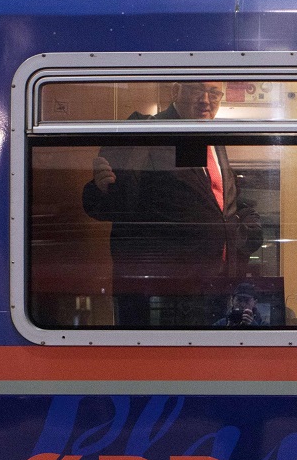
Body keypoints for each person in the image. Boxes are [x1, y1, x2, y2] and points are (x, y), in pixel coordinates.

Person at [82, 81, 263, 327]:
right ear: (176, 91)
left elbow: (214, 198)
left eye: (214, 93)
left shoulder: (208, 137)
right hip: (165, 289)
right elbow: (117, 203)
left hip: (217, 283)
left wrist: (250, 229)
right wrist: (102, 188)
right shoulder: (148, 131)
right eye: (197, 90)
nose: (206, 100)